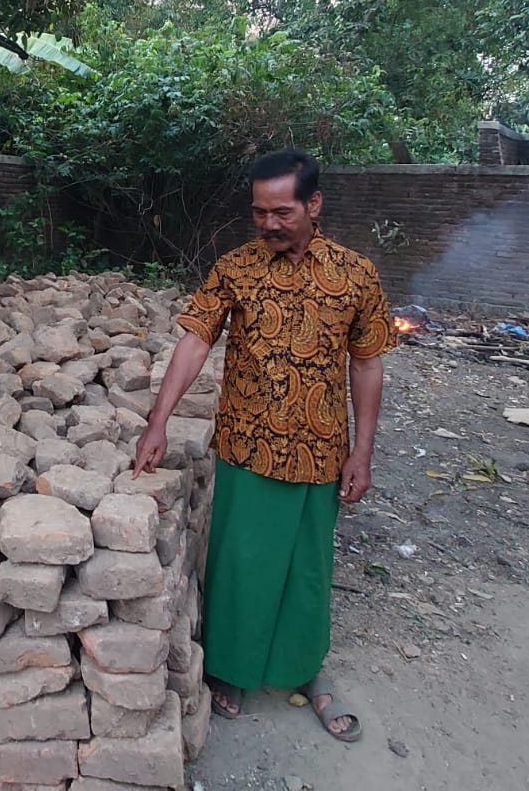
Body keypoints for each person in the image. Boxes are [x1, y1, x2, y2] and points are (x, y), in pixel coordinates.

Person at [132, 148, 396, 742]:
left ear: (314, 204)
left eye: (282, 211)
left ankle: (305, 671)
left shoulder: (355, 275)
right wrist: (159, 420)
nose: (270, 224)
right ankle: (231, 670)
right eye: (259, 213)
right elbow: (196, 342)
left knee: (306, 569)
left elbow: (368, 363)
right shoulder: (236, 269)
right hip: (248, 445)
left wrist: (363, 451)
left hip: (321, 450)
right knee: (241, 563)